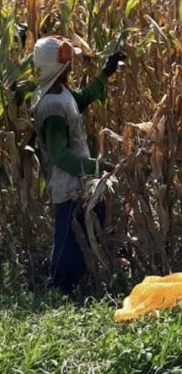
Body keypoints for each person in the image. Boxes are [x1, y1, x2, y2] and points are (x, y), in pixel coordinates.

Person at [31, 36, 125, 294]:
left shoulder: (60, 91)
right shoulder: (50, 105)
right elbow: (60, 155)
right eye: (68, 60)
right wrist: (96, 167)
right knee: (68, 239)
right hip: (67, 181)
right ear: (57, 66)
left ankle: (82, 284)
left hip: (79, 176)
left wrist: (106, 74)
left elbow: (79, 100)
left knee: (90, 225)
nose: (73, 64)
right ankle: (59, 290)